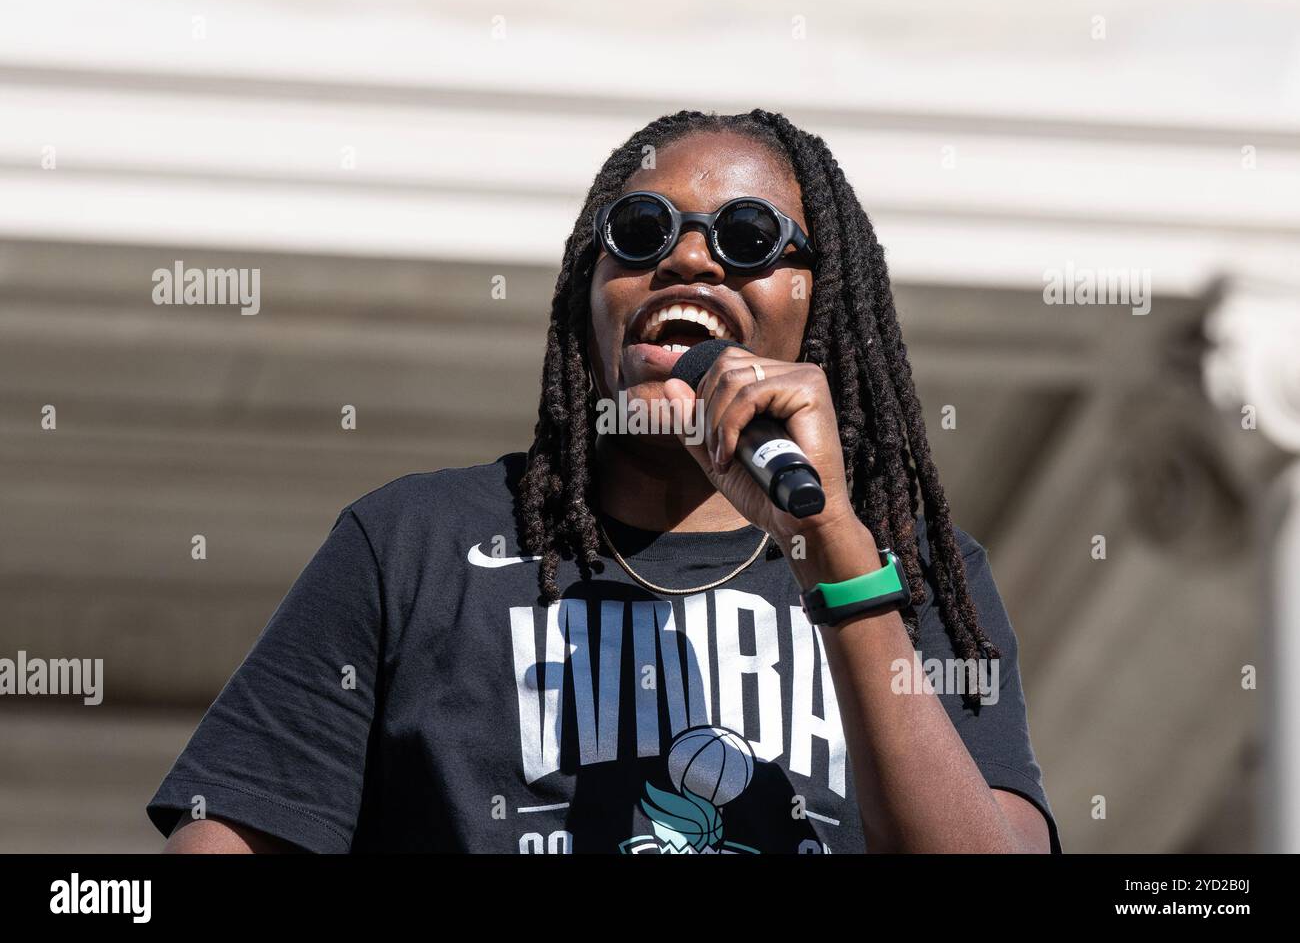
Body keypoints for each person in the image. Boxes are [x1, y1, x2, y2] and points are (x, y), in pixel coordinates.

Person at [148, 109, 1059, 853]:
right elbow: (226, 836)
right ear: (590, 294)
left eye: (748, 237)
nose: (691, 259)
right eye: (640, 231)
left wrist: (835, 557)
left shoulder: (923, 581)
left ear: (818, 302)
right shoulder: (413, 542)